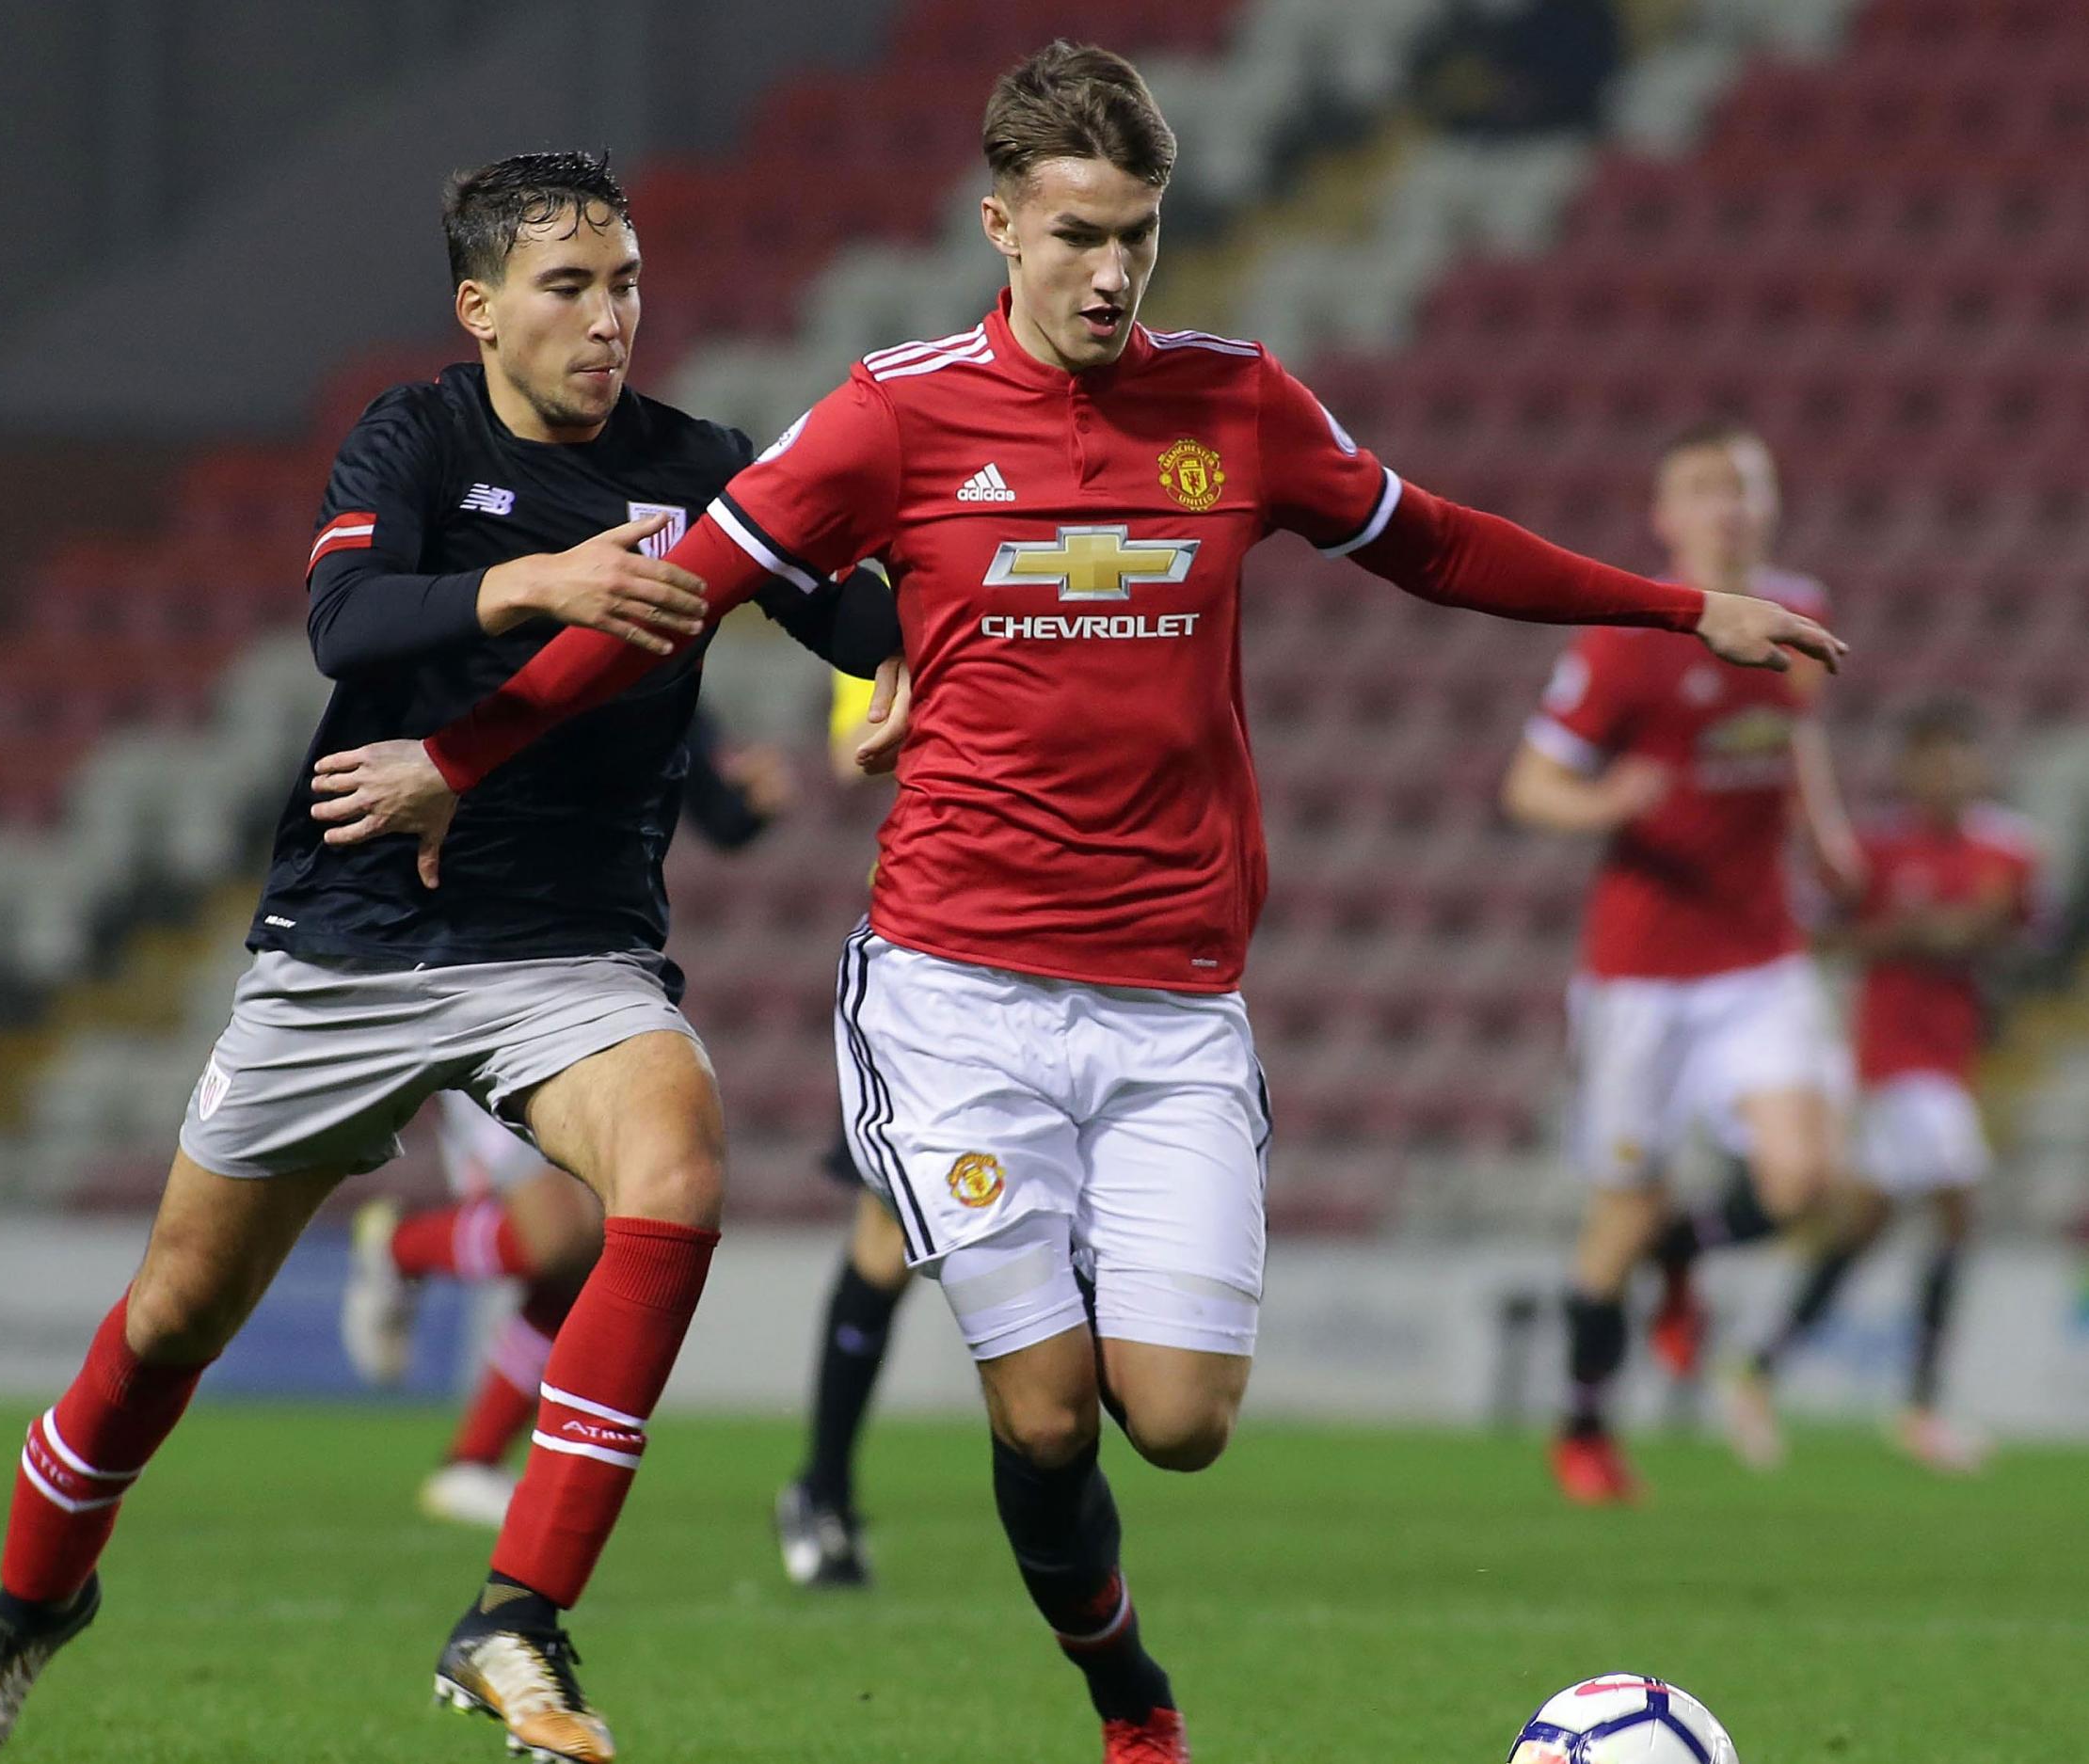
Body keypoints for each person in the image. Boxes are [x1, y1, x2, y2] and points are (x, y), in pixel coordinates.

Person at [304, 46, 1840, 1764]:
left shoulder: (1240, 404)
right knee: (1045, 1418)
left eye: (1142, 236)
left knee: (1175, 1424)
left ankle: (1074, 1508)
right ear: (1001, 229)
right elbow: (676, 598)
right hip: (957, 995)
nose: (1114, 273)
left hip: (1175, 998)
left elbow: (1433, 541)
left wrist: (1672, 608)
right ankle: (1135, 1706)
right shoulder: (892, 413)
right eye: (1081, 235)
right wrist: (464, 756)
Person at [0, 151, 904, 1764]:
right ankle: (28, 1608)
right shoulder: (417, 434)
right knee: (171, 1318)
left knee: (676, 1170)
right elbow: (348, 626)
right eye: (568, 288)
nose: (607, 319)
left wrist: (928, 652)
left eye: (627, 283)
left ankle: (518, 1617)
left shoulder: (702, 470)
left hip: (570, 949)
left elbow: (857, 616)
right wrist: (539, 582)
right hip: (357, 936)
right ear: (481, 308)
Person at [1501, 419, 1859, 1506]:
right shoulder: (1625, 637)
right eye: (1704, 489)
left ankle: (1683, 1253)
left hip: (1757, 955)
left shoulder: (1803, 616)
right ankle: (1584, 1428)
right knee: (1619, 1208)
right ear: (1666, 518)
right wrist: (1606, 800)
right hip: (1640, 974)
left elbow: (1791, 740)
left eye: (1744, 487)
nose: (1728, 507)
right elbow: (1531, 784)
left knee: (1802, 1179)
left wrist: (1827, 840)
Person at [339, 711, 797, 1529]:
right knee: (566, 1232)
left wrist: (751, 804)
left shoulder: (664, 658)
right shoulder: (502, 638)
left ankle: (470, 1460)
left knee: (591, 1241)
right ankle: (403, 1246)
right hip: (482, 965)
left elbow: (716, 813)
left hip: (592, 973)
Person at [1726, 699, 2041, 1474]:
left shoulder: (2003, 846)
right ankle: (1922, 1408)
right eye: (1935, 760)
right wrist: (1907, 934)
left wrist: (1922, 932)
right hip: (1895, 1062)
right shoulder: (1873, 852)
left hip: (1951, 1053)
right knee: (1958, 1208)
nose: (1951, 775)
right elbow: (1810, 934)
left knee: (1864, 1229)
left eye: (1963, 759)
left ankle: (1755, 1371)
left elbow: (1990, 926)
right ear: (1908, 771)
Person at [773, 672, 917, 1589]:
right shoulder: (919, 563)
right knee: (887, 1230)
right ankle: (822, 1489)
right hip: (935, 947)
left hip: (1090, 938)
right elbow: (852, 747)